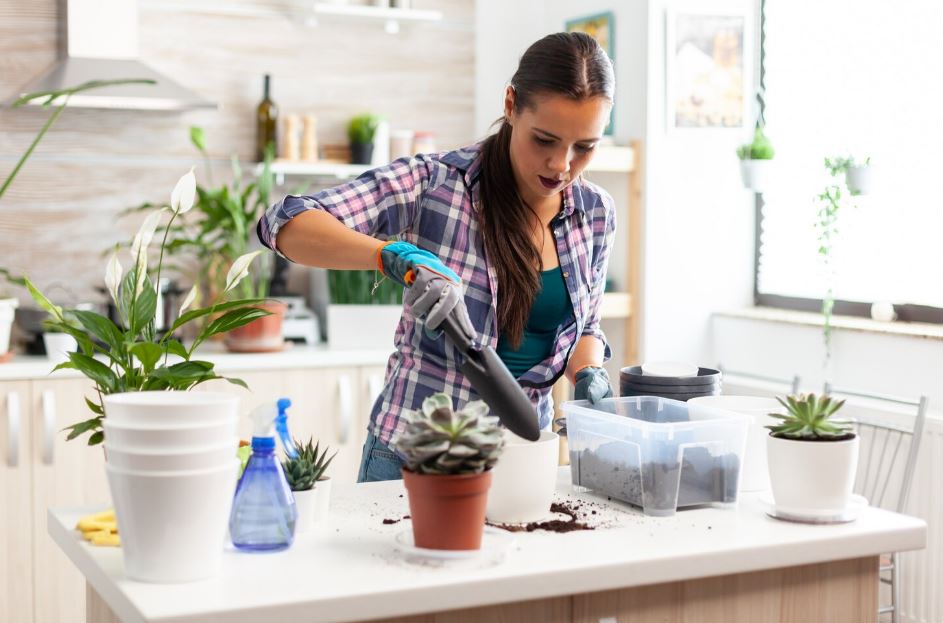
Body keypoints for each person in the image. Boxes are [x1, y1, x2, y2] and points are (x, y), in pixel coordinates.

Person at [257, 32, 617, 483]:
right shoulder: (436, 185)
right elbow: (284, 222)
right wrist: (392, 255)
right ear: (510, 104)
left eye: (584, 147)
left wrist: (590, 374)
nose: (562, 165)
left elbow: (584, 327)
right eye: (545, 139)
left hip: (521, 459)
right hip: (415, 457)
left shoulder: (595, 213)